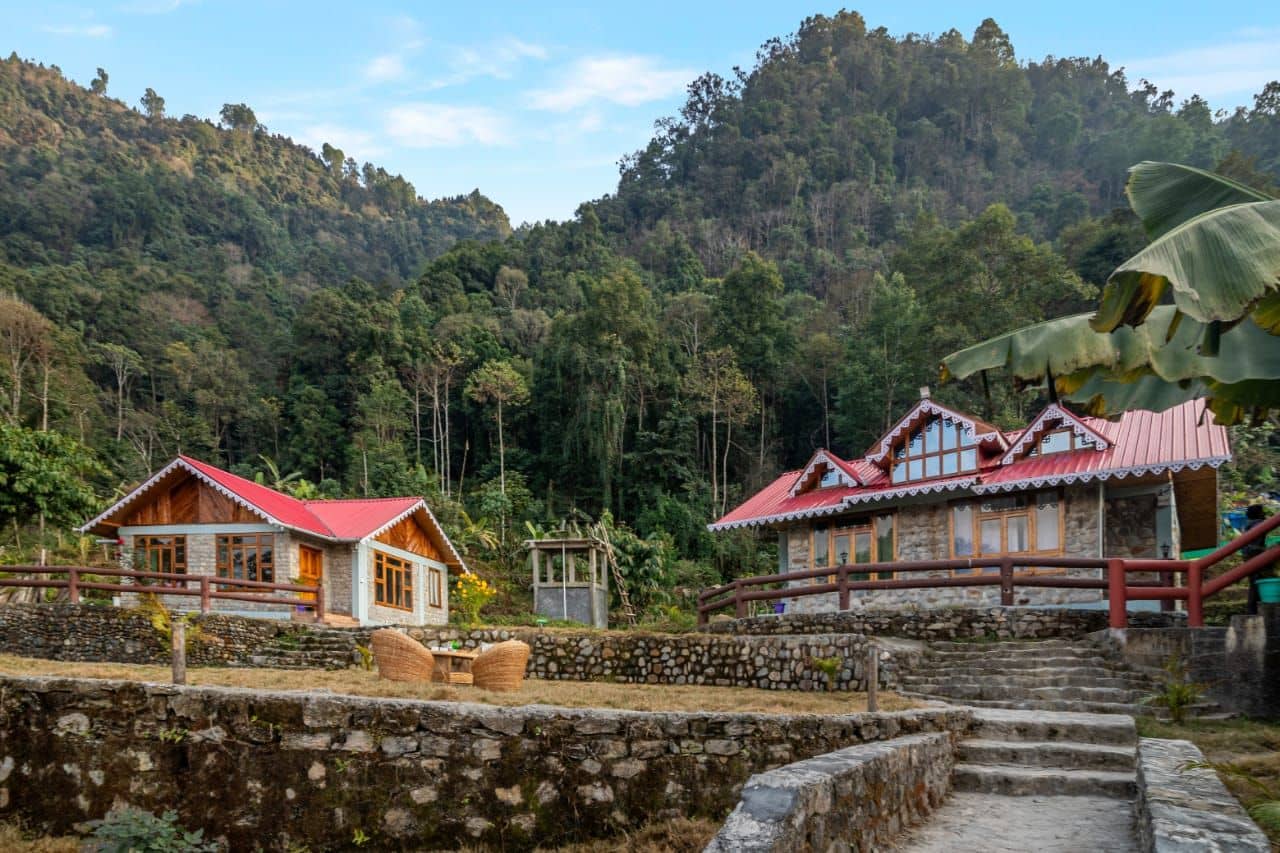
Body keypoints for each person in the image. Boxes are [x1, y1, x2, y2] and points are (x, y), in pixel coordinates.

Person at [1241, 504, 1276, 615]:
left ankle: (1253, 610)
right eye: (1262, 512)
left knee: (1254, 583)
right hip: (1255, 555)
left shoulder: (1248, 524)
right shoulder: (1259, 524)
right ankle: (1253, 611)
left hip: (1249, 556)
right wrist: (1266, 551)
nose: (1264, 513)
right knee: (1257, 583)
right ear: (1258, 514)